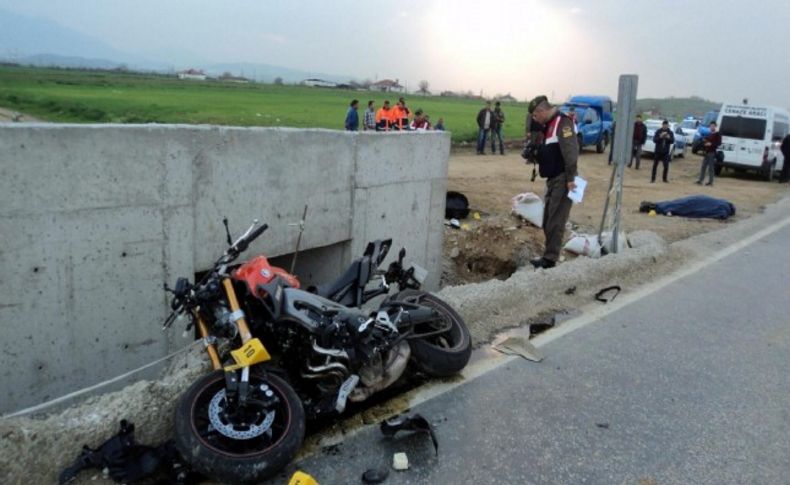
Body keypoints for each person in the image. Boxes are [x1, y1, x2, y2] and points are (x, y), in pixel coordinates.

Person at [527, 95, 578, 269]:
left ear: (541, 111)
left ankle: (550, 259)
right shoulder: (548, 126)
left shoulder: (562, 123)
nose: (535, 119)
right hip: (552, 179)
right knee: (548, 218)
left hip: (563, 179)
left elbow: (570, 152)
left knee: (556, 220)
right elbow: (550, 152)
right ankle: (549, 255)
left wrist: (571, 179)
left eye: (535, 115)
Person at [696, 121, 722, 186]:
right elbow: (706, 140)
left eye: (713, 126)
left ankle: (710, 182)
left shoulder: (717, 134)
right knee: (703, 166)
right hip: (707, 152)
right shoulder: (710, 133)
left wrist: (711, 144)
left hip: (712, 153)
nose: (711, 127)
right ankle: (700, 180)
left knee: (711, 167)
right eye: (710, 126)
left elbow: (719, 143)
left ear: (715, 126)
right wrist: (704, 141)